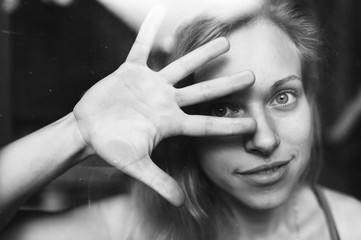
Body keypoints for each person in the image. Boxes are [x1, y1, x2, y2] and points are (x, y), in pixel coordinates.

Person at [1, 1, 361, 240]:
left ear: (311, 102)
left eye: (283, 97)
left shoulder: (352, 226)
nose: (264, 140)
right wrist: (75, 133)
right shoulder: (123, 231)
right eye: (222, 108)